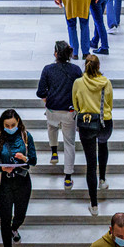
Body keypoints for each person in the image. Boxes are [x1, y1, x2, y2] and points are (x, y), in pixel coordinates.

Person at [0, 108, 36, 247]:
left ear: (18, 123)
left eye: (13, 125)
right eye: (7, 125)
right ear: (2, 125)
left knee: (20, 214)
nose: (10, 128)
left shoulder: (26, 136)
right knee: (4, 219)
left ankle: (14, 227)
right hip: (4, 183)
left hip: (23, 182)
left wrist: (25, 159)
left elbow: (34, 160)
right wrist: (4, 168)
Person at [37, 40, 83, 185]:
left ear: (56, 54)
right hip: (69, 111)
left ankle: (54, 152)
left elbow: (40, 91)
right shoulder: (75, 70)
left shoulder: (48, 69)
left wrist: (47, 99)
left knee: (52, 128)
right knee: (69, 143)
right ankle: (68, 177)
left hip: (52, 108)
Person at [73, 54, 114, 215]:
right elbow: (109, 102)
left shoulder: (78, 82)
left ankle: (94, 204)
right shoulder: (106, 82)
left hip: (86, 124)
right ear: (98, 67)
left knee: (91, 164)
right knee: (103, 146)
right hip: (104, 122)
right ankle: (102, 180)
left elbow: (75, 103)